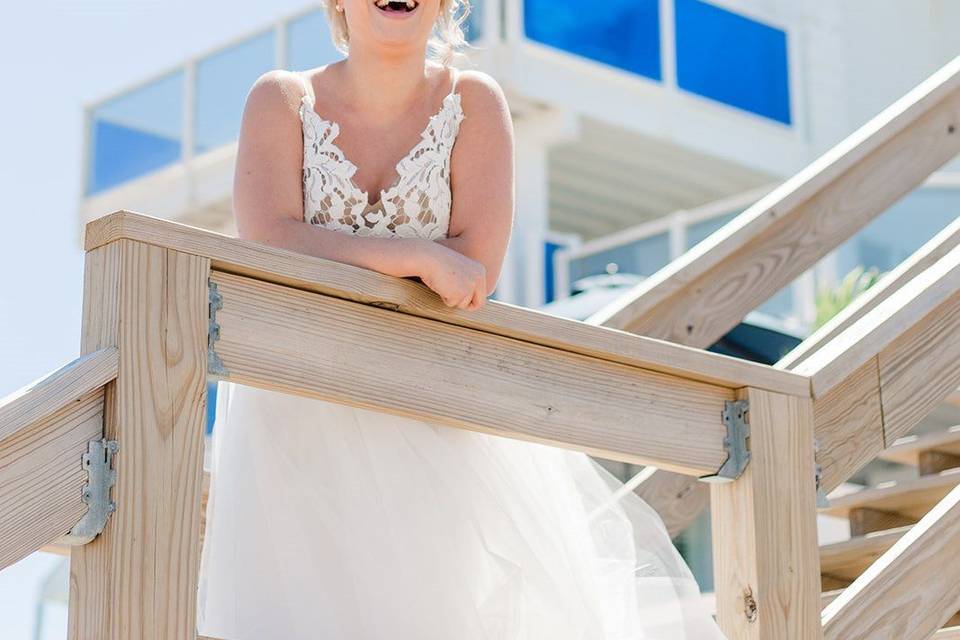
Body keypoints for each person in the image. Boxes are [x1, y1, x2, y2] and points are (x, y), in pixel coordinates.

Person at [196, 1, 727, 638]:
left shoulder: (474, 102)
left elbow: (475, 268)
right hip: (293, 417)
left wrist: (400, 259)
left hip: (432, 410)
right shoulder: (281, 99)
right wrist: (417, 254)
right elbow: (269, 240)